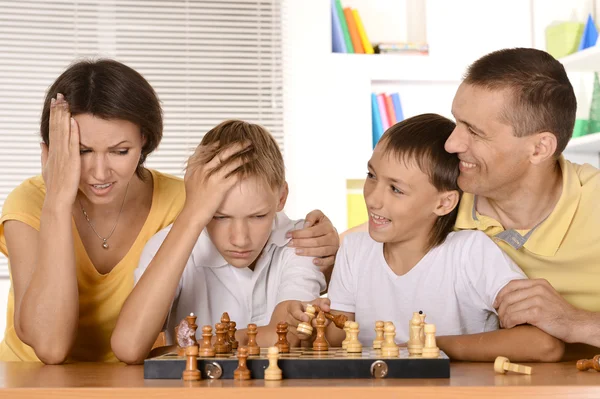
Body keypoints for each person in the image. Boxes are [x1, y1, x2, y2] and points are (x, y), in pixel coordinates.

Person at [0, 60, 339, 364]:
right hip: (29, 379)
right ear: (52, 151)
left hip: (132, 380)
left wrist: (329, 249)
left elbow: (260, 214)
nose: (99, 173)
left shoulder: (193, 200)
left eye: (120, 151)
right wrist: (57, 200)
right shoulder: (29, 203)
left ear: (144, 141)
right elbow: (50, 346)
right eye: (82, 151)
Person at [287, 114, 564, 362]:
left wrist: (433, 345)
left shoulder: (470, 253)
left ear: (444, 204)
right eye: (371, 175)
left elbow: (543, 344)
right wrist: (314, 325)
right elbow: (337, 342)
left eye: (396, 189)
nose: (373, 198)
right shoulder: (355, 252)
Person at [111, 120, 326, 364]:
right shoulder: (168, 246)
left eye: (257, 216)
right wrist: (192, 216)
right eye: (220, 216)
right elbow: (129, 347)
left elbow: (284, 336)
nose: (240, 239)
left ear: (281, 197)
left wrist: (176, 351)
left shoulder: (303, 240)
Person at [445, 48, 600, 355]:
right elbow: (362, 255)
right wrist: (327, 255)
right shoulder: (441, 194)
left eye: (475, 131)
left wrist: (574, 321)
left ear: (540, 148)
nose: (451, 143)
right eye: (457, 123)